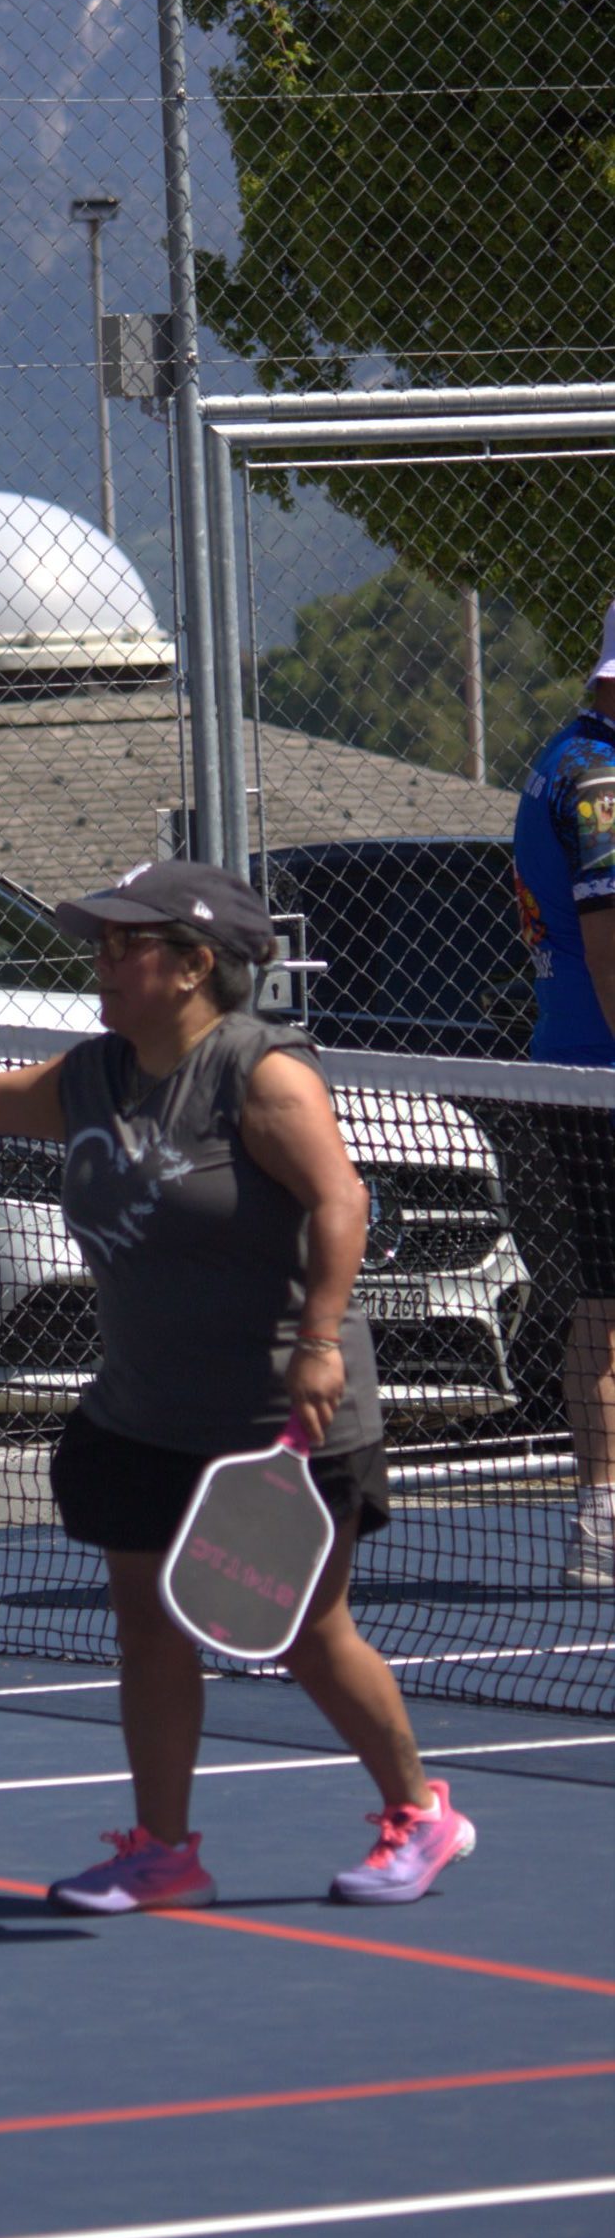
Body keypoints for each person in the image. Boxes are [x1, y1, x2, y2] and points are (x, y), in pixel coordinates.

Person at [0, 858, 475, 1911]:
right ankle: (162, 1852)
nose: (101, 961)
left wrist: (320, 1340)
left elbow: (339, 1200)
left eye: (126, 944)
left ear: (194, 965)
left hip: (278, 1414)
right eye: (100, 943)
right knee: (147, 1627)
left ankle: (421, 1815)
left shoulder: (258, 1075)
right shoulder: (96, 1074)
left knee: (308, 1633)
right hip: (145, 1409)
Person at [513, 601, 615, 1588]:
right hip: (599, 1072)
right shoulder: (597, 779)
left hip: (577, 1062)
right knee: (607, 1299)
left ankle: (600, 1511)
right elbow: (606, 937)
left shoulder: (565, 760)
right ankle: (601, 1515)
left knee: (605, 1292)